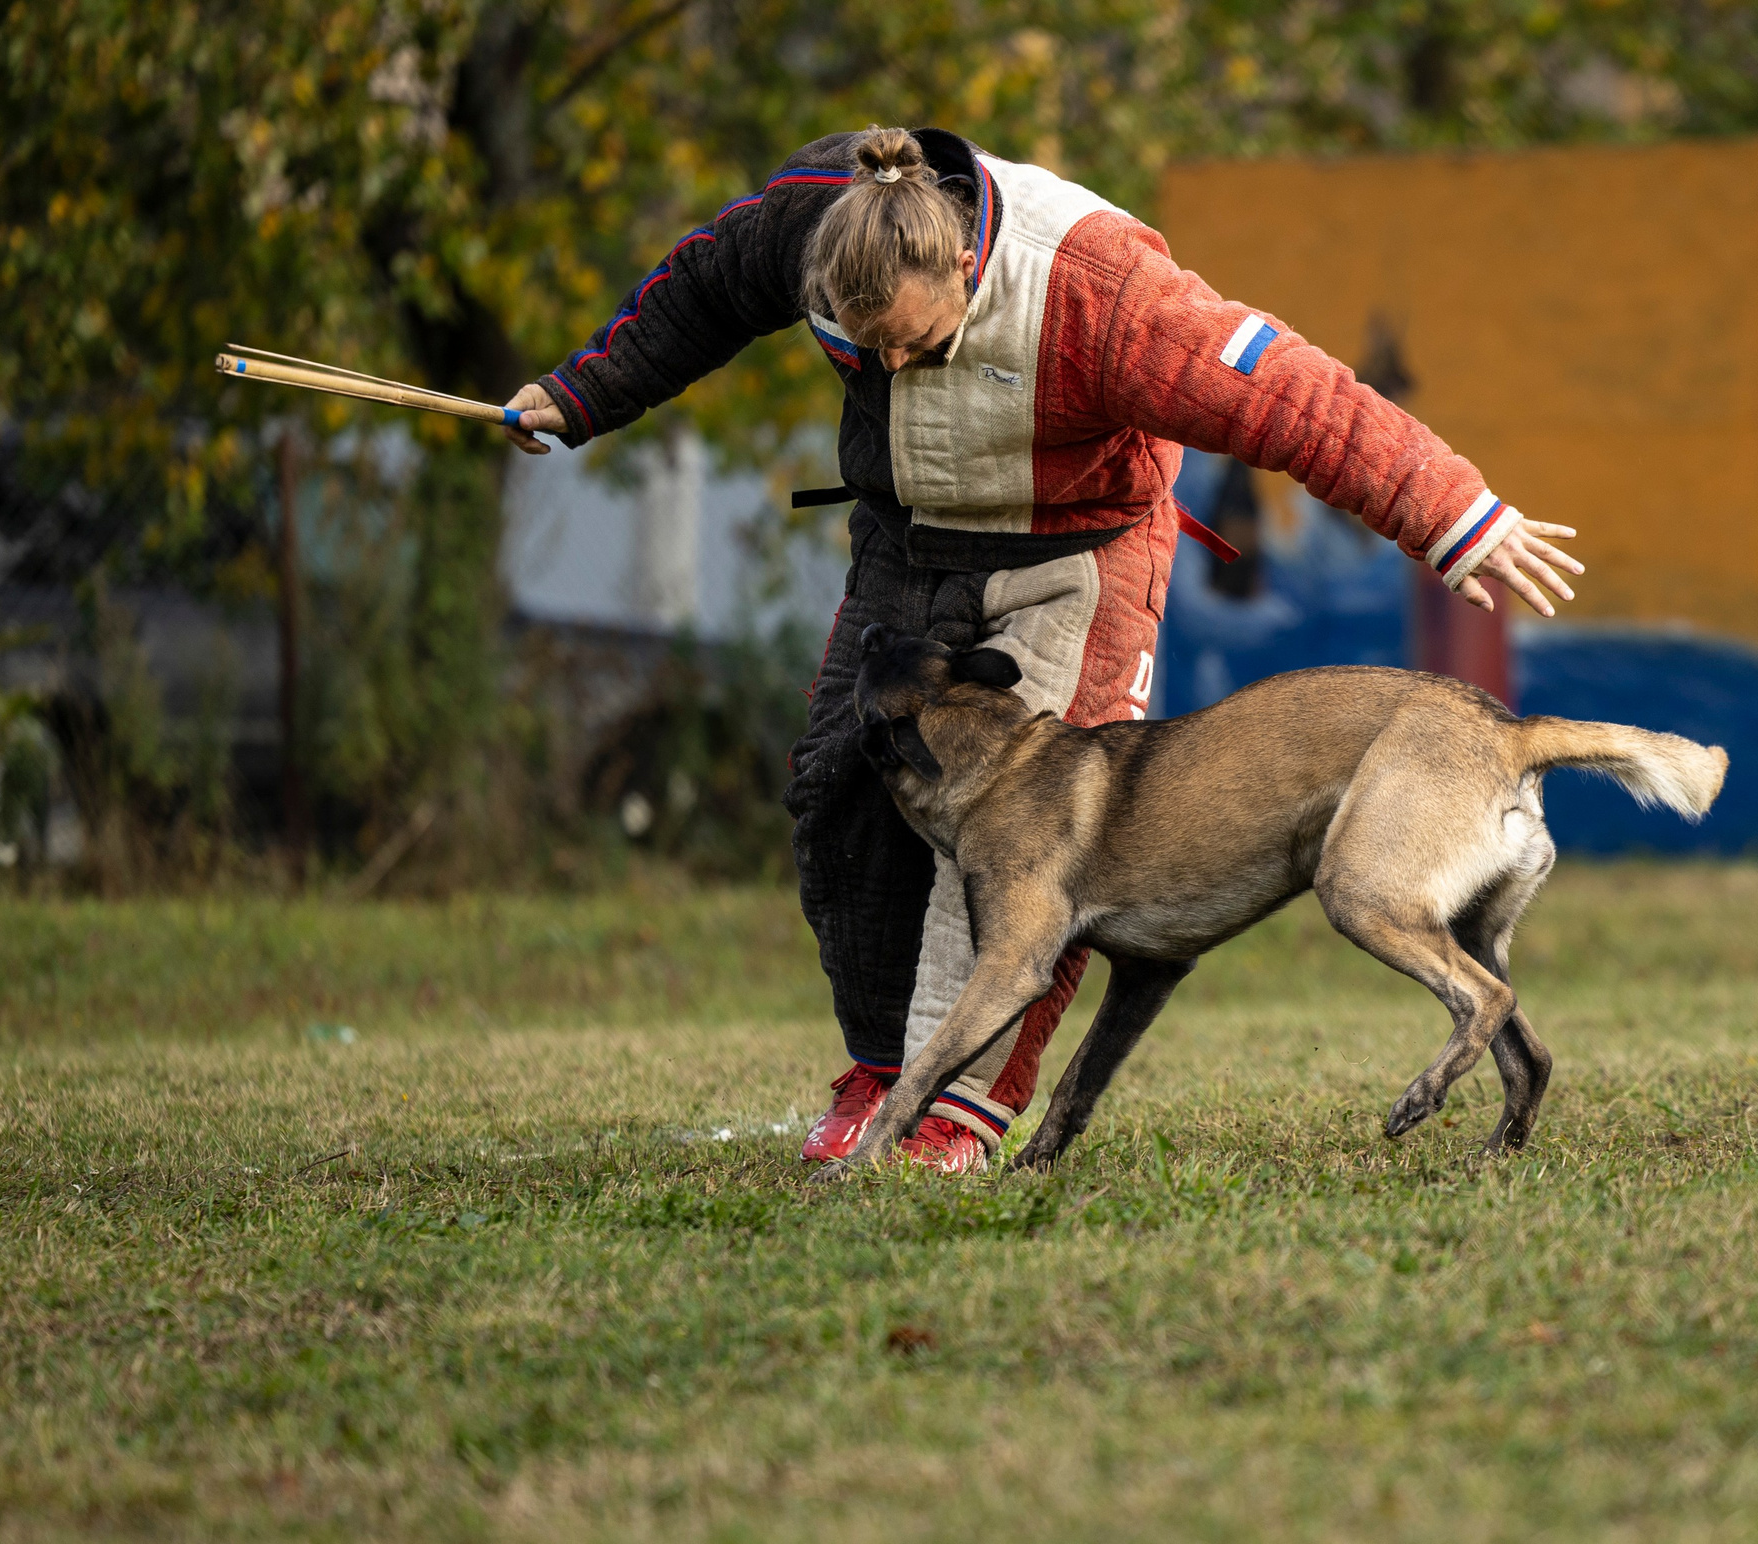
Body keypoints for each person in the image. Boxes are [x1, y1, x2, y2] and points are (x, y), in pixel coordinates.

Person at [502, 126, 1583, 1171]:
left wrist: (1453, 514)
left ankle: (956, 1116)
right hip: (909, 540)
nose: (891, 364)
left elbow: (1292, 394)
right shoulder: (811, 224)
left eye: (917, 342)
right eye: (865, 346)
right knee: (840, 788)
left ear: (964, 271)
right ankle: (882, 1073)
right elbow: (696, 293)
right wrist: (579, 393)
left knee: (1031, 846)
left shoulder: (1100, 293)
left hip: (1080, 551)